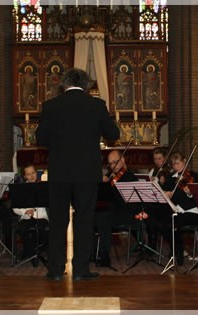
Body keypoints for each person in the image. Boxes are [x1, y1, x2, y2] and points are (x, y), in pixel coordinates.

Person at [35, 68, 120, 281]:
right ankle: (81, 269)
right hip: (86, 173)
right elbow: (113, 134)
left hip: (59, 173)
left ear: (64, 84)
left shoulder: (51, 106)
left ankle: (55, 270)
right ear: (86, 85)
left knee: (57, 220)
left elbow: (41, 139)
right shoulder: (96, 105)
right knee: (84, 219)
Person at [150, 152, 198, 265]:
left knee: (172, 224)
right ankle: (177, 248)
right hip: (176, 211)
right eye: (173, 164)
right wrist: (165, 193)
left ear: (184, 161)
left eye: (178, 163)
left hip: (191, 212)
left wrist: (190, 193)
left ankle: (178, 252)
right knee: (160, 223)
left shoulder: (193, 176)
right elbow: (163, 192)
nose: (176, 166)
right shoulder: (171, 178)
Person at [95, 150, 139, 267]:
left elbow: (122, 200)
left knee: (103, 217)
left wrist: (109, 185)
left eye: (115, 162)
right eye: (110, 163)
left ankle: (104, 255)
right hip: (115, 211)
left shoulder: (130, 176)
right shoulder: (113, 177)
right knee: (95, 215)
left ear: (123, 160)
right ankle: (92, 252)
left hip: (128, 213)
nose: (112, 166)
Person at [11, 164, 48, 267]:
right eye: (28, 174)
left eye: (33, 173)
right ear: (24, 176)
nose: (32, 176)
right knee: (23, 229)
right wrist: (25, 212)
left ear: (37, 173)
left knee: (42, 229)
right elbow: (15, 207)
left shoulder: (43, 186)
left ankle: (29, 252)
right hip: (26, 217)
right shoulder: (20, 189)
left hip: (41, 217)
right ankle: (32, 254)